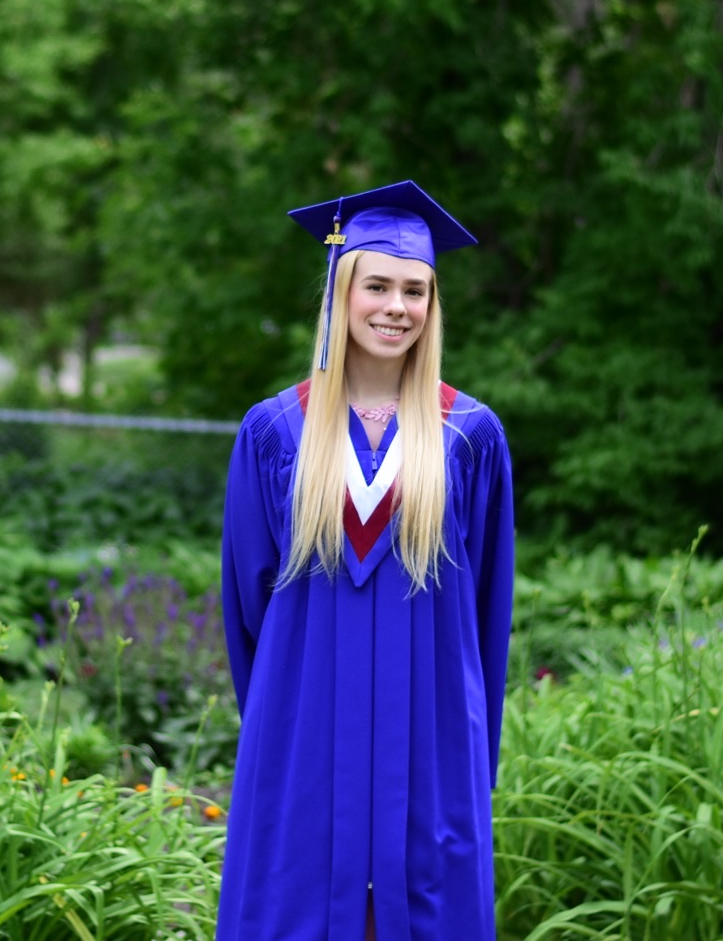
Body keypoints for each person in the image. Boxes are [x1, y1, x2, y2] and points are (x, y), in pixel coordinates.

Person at [217, 181, 517, 941]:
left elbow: (489, 610)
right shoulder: (276, 431)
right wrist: (283, 723)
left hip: (433, 730)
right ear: (341, 292)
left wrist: (470, 747)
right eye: (377, 284)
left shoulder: (470, 436)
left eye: (414, 289)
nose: (396, 306)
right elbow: (247, 609)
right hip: (305, 726)